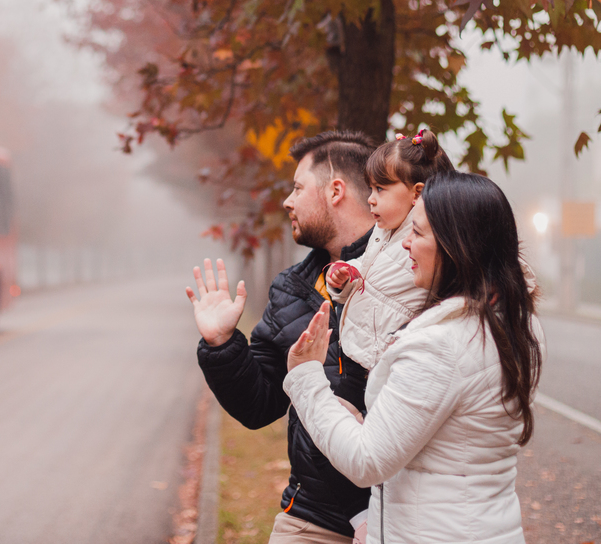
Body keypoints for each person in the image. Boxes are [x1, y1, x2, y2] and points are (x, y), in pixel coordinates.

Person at [283, 171, 544, 544]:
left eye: (418, 232)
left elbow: (367, 460)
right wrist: (365, 419)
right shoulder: (509, 322)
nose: (405, 243)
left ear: (457, 246)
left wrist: (306, 377)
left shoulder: (442, 345)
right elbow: (451, 435)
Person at [187, 131, 377, 543]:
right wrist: (222, 345)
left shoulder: (404, 273)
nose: (287, 202)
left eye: (297, 188)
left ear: (336, 190)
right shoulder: (292, 289)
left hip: (402, 516)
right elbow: (258, 405)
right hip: (311, 520)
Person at [325, 130, 455, 373]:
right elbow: (368, 266)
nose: (371, 199)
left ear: (417, 193)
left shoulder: (429, 242)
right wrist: (347, 275)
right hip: (358, 350)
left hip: (383, 362)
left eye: (380, 189)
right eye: (370, 189)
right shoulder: (385, 228)